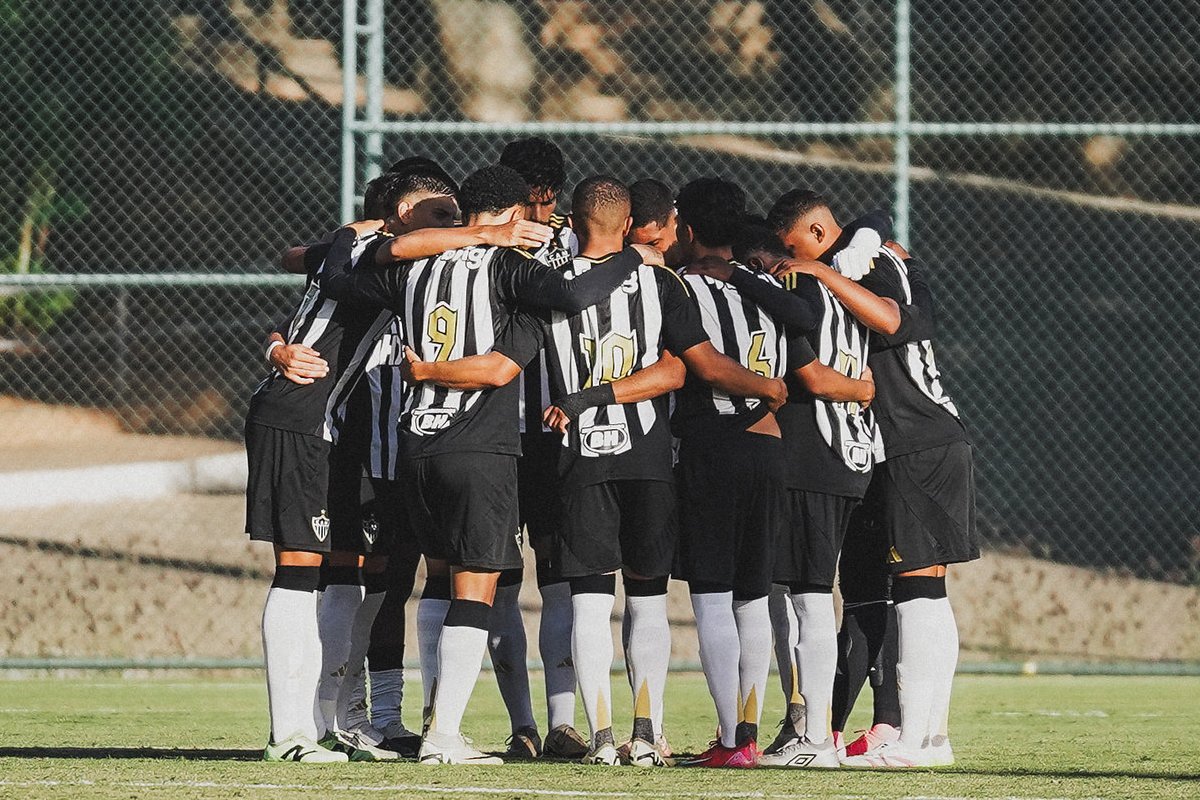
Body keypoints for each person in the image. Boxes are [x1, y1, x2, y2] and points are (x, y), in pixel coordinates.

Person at [322, 164, 659, 765]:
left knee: (441, 580)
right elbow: (573, 295)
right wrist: (634, 255)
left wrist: (357, 236)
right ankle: (443, 735)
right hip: (480, 449)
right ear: (509, 215)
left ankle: (424, 720)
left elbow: (347, 277)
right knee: (476, 591)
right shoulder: (507, 267)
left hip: (415, 446)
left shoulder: (414, 268)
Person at [780, 233, 979, 768]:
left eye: (797, 249)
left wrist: (824, 275)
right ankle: (932, 737)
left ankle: (915, 740)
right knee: (927, 591)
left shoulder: (867, 266)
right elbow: (874, 224)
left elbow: (891, 319)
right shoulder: (879, 253)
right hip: (932, 439)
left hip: (915, 443)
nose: (797, 262)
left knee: (916, 593)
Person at [668, 178, 792, 769]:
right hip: (770, 447)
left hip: (714, 445)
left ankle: (732, 739)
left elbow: (705, 365)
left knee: (713, 594)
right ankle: (747, 735)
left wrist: (760, 384)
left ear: (687, 230)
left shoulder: (684, 285)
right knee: (753, 596)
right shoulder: (765, 283)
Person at [493, 136, 584, 759]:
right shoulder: (489, 243)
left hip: (542, 426)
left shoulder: (570, 244)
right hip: (506, 429)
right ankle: (533, 723)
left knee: (547, 574)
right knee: (509, 573)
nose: (540, 209)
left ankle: (548, 722)